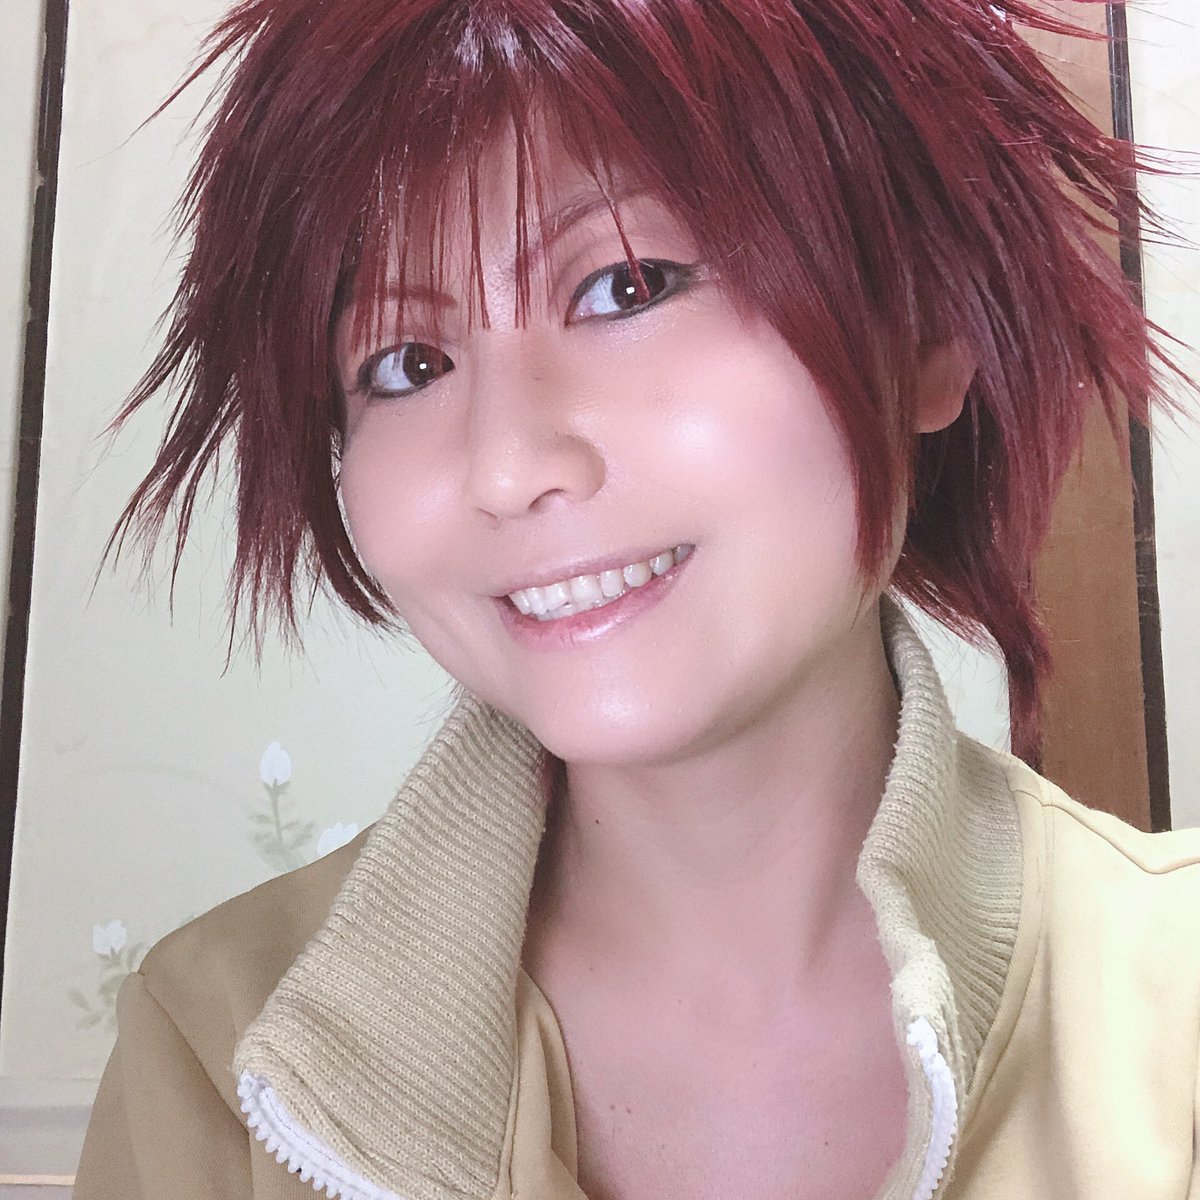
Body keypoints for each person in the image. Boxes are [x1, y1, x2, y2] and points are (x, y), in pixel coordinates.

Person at [73, 1, 1200, 1198]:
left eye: (626, 286)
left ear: (926, 326)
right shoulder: (220, 1051)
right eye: (408, 365)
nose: (508, 466)